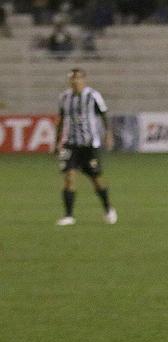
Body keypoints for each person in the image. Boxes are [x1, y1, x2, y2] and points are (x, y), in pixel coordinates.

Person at [53, 68, 116, 226]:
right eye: (72, 79)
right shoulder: (64, 97)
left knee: (96, 179)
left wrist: (108, 134)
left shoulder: (93, 96)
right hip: (70, 144)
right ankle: (68, 215)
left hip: (89, 144)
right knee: (69, 177)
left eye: (78, 78)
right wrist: (57, 142)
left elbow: (104, 115)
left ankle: (108, 208)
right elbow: (60, 120)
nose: (75, 81)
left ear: (84, 79)